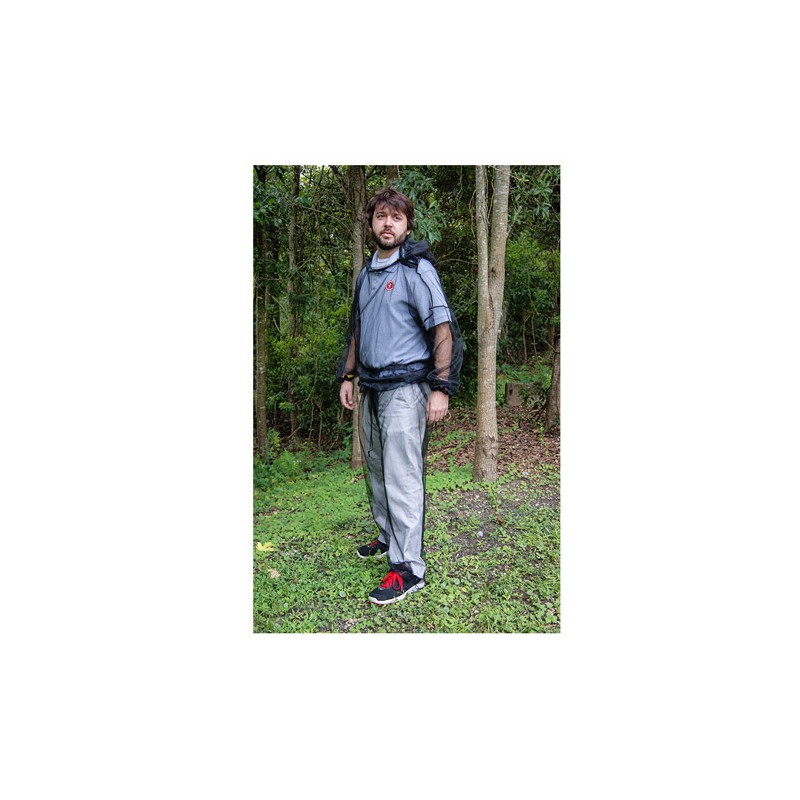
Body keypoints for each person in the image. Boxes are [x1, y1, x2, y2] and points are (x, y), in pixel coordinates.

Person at [337, 186, 462, 605]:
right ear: (371, 224)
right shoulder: (366, 273)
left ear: (407, 226)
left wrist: (441, 388)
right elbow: (358, 329)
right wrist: (348, 375)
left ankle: (409, 569)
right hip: (370, 388)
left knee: (402, 476)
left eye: (396, 217)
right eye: (381, 217)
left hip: (407, 390)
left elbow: (442, 330)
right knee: (377, 469)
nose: (387, 224)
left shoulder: (417, 270)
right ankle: (388, 536)